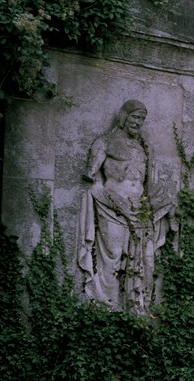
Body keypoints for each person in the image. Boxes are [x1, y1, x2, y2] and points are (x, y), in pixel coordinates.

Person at [78, 100, 174, 315]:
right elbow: (92, 178)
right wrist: (109, 199)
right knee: (112, 255)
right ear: (123, 116)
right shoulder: (104, 142)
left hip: (140, 210)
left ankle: (137, 306)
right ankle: (108, 308)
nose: (138, 122)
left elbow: (150, 183)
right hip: (111, 206)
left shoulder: (144, 148)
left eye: (142, 119)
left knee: (146, 260)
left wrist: (165, 202)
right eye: (135, 117)